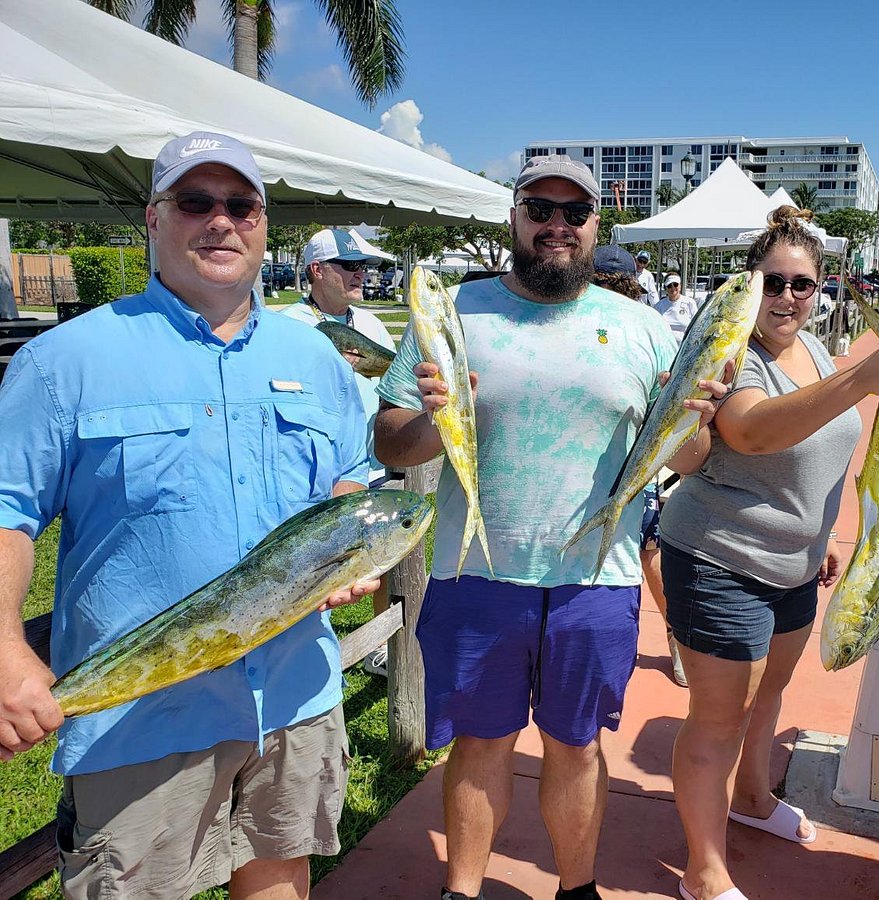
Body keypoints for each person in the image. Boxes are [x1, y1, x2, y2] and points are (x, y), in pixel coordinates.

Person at [0, 131, 375, 900]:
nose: (221, 222)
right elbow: (7, 512)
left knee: (280, 876)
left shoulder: (315, 360)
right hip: (142, 716)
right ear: (154, 217)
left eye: (241, 205)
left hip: (297, 693)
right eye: (195, 202)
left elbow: (351, 480)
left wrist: (348, 548)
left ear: (265, 224)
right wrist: (8, 654)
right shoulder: (65, 361)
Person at [374, 154, 724, 900]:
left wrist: (696, 418)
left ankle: (577, 889)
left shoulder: (642, 327)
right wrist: (436, 424)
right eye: (540, 209)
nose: (556, 226)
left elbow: (689, 457)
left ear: (597, 225)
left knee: (576, 745)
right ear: (514, 217)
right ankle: (460, 890)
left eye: (574, 213)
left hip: (596, 579)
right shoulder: (454, 310)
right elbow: (390, 440)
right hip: (475, 572)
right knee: (480, 743)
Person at [658, 206, 879, 900]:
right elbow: (749, 433)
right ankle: (703, 869)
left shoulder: (815, 352)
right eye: (772, 282)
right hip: (720, 557)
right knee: (717, 719)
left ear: (819, 289)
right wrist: (862, 380)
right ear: (751, 283)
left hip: (795, 566)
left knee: (768, 697)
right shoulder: (732, 352)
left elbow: (825, 455)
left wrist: (822, 535)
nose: (785, 299)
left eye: (801, 286)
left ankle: (751, 797)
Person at [282, 227, 397, 676]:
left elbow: (390, 377)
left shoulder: (368, 323)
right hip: (318, 471)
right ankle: (312, 652)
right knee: (321, 564)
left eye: (363, 266)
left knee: (385, 557)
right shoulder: (290, 325)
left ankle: (382, 645)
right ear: (317, 271)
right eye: (350, 266)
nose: (361, 275)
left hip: (372, 462)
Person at [591, 244, 687, 687]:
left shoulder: (648, 329)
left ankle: (675, 633)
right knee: (642, 553)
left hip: (637, 463)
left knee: (648, 553)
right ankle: (672, 636)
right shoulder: (594, 326)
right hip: (610, 465)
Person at [655, 273, 699, 342]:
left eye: (675, 285)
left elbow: (697, 326)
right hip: (664, 346)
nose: (673, 288)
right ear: (665, 288)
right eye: (669, 286)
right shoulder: (658, 306)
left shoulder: (690, 303)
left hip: (684, 347)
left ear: (680, 286)